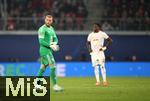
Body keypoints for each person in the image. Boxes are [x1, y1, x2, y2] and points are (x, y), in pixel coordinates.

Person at [36, 15, 63, 91]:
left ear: (52, 21)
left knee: (43, 67)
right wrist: (51, 45)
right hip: (44, 50)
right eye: (47, 20)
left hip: (49, 50)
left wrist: (54, 44)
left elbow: (55, 38)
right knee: (53, 66)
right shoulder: (42, 29)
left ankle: (37, 85)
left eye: (50, 20)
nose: (48, 21)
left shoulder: (51, 28)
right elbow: (41, 41)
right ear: (45, 20)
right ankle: (55, 86)